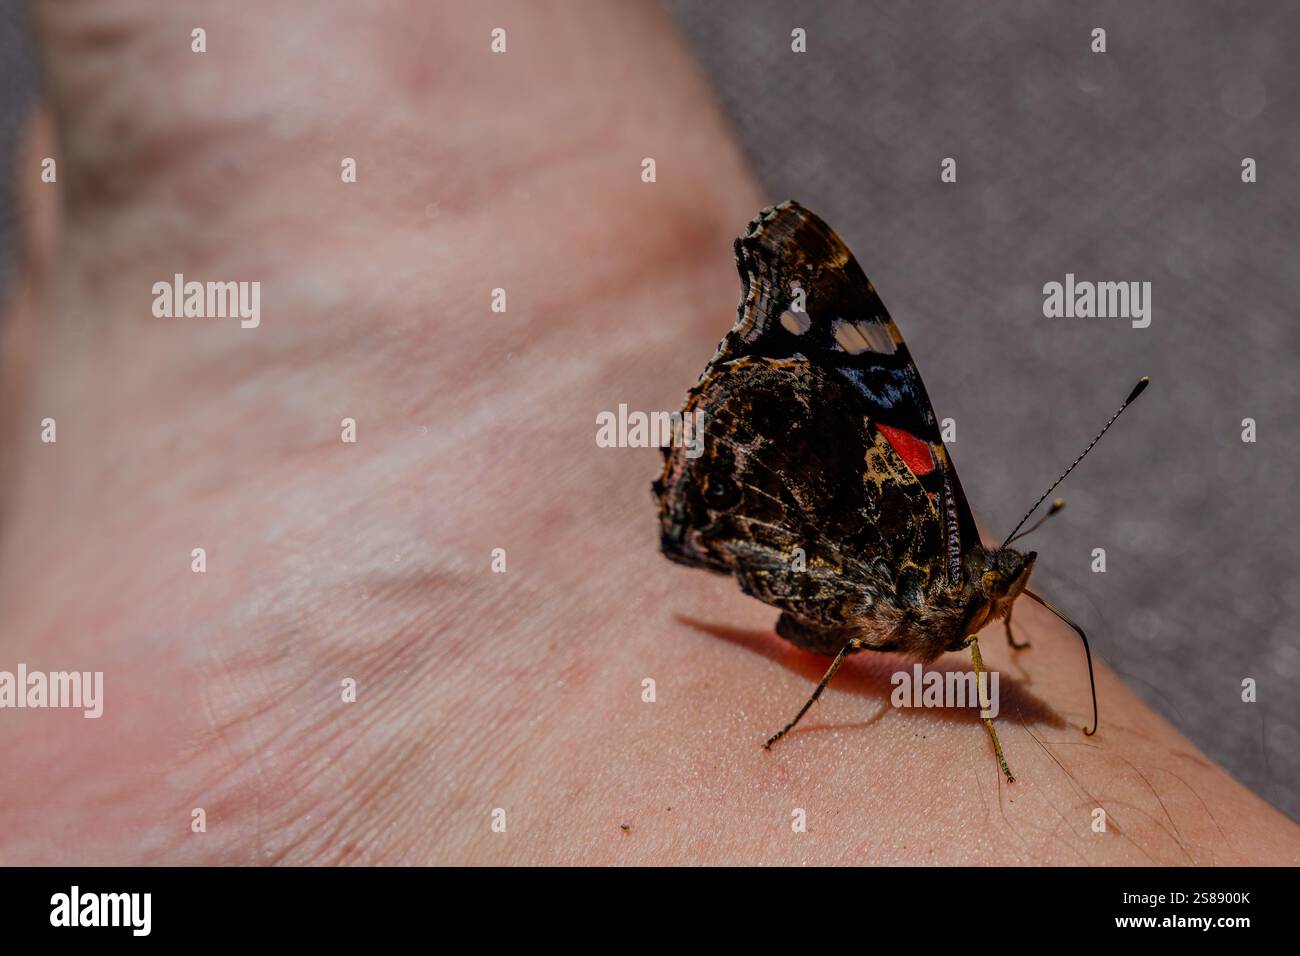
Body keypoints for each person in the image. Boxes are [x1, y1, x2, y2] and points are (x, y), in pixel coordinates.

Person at [1, 1, 1295, 865]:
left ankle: (522, 372)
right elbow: (849, 354)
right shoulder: (928, 539)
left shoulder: (965, 593)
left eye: (1008, 581)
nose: (1015, 585)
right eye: (1004, 581)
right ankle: (566, 326)